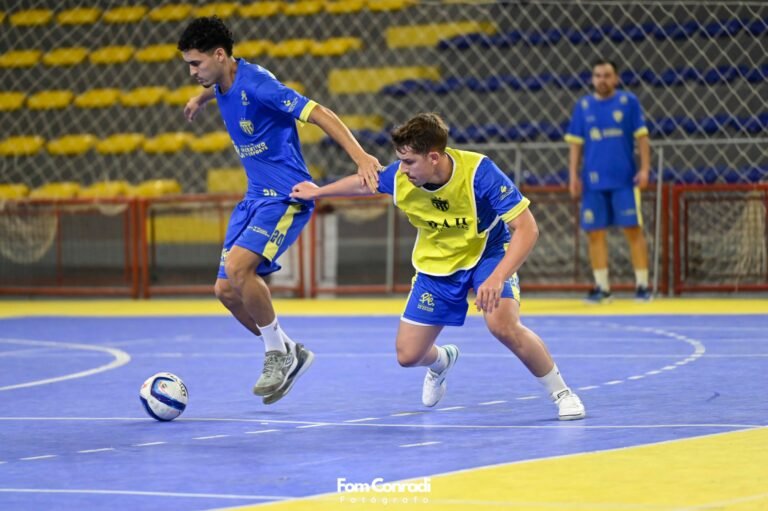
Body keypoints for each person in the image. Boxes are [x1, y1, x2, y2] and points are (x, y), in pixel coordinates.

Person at [291, 113, 585, 420]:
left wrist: (498, 277)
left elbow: (527, 228)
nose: (401, 170)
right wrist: (319, 191)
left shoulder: (479, 173)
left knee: (502, 324)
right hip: (438, 266)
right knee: (408, 356)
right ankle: (442, 362)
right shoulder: (402, 178)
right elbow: (365, 184)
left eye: (409, 162)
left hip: (487, 253)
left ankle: (562, 393)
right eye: (400, 161)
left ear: (434, 157)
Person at [177, 16, 382, 404]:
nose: (192, 71)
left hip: (286, 196)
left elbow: (320, 113)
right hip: (253, 198)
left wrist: (361, 157)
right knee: (224, 290)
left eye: (196, 63)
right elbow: (218, 88)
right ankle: (290, 351)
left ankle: (276, 354)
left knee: (240, 269)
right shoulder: (221, 79)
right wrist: (199, 98)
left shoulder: (259, 85)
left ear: (220, 55)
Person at [565, 59, 652, 303]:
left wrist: (645, 169)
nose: (602, 79)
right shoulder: (583, 106)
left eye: (607, 75)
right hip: (592, 182)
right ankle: (602, 288)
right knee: (595, 233)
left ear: (616, 78)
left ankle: (643, 286)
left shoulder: (628, 102)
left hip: (625, 180)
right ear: (592, 79)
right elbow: (575, 144)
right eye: (597, 75)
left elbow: (642, 138)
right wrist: (573, 175)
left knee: (633, 230)